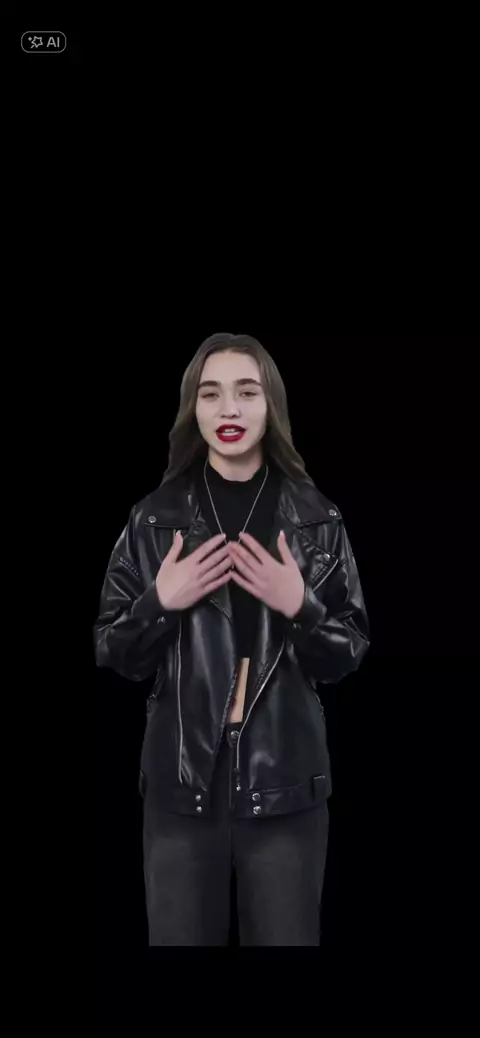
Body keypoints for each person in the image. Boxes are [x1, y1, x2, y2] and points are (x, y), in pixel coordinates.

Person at [93, 333, 370, 946]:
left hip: (286, 781)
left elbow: (347, 653)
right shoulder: (154, 519)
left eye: (247, 392)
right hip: (182, 783)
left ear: (271, 405)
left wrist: (300, 605)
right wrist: (159, 602)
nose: (229, 410)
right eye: (211, 393)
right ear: (192, 407)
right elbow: (113, 650)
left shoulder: (317, 519)